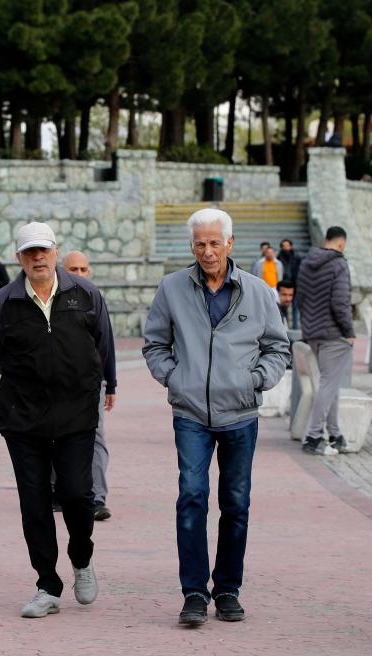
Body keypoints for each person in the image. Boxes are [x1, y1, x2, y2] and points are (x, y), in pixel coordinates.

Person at [143, 207, 290, 627]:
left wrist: (255, 380)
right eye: (199, 244)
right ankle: (194, 592)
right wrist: (175, 379)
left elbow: (278, 347)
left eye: (214, 243)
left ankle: (227, 589)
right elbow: (155, 344)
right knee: (191, 496)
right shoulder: (172, 288)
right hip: (190, 413)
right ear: (192, 246)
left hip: (240, 415)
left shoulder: (258, 291)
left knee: (236, 503)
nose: (207, 251)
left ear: (229, 243)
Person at [0, 222, 116, 619]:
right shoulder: (4, 301)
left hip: (76, 414)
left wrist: (104, 384)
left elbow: (103, 344)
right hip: (23, 419)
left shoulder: (85, 294)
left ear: (56, 252)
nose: (38, 257)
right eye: (30, 252)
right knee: (35, 503)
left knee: (77, 495)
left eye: (43, 249)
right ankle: (47, 585)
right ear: (19, 258)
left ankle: (81, 558)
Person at [62, 250, 117, 521]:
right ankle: (58, 490)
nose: (80, 274)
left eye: (84, 269)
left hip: (92, 381)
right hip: (57, 382)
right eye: (74, 269)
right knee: (55, 434)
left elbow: (106, 342)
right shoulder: (52, 299)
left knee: (95, 436)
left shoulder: (95, 298)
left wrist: (111, 384)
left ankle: (97, 497)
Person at [296, 226, 356, 455]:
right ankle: (313, 437)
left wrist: (307, 327)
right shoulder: (339, 264)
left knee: (330, 384)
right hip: (334, 334)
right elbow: (341, 302)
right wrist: (349, 331)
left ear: (325, 240)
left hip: (313, 333)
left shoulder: (306, 263)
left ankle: (335, 435)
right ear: (341, 243)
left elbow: (300, 299)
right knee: (328, 384)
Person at [277, 239, 302, 328]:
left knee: (295, 307)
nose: (286, 247)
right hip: (284, 285)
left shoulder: (296, 257)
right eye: (284, 246)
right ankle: (285, 326)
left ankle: (295, 327)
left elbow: (299, 270)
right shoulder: (279, 257)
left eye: (287, 245)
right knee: (284, 307)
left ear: (290, 246)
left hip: (295, 284)